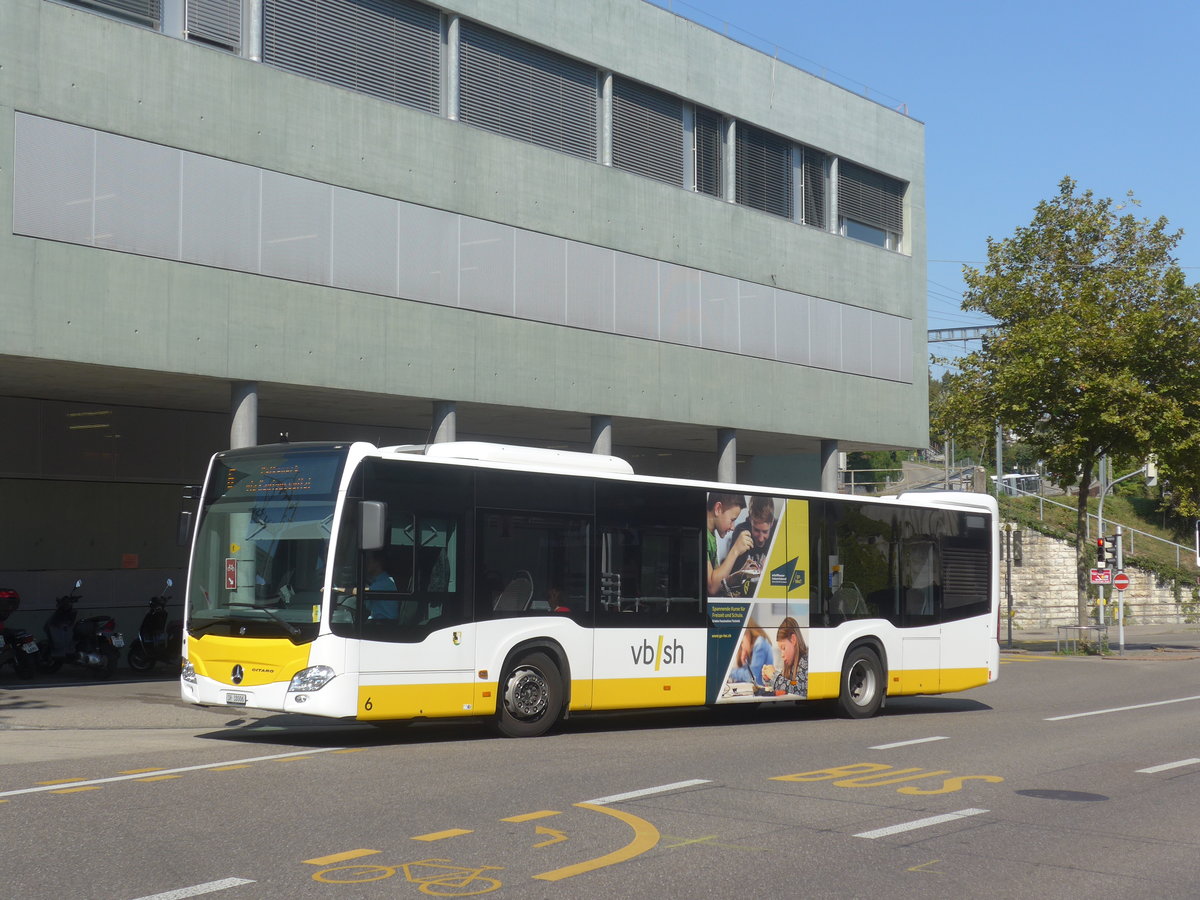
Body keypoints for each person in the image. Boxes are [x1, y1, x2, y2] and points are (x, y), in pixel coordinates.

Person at [727, 496, 777, 592]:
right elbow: (733, 579)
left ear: (772, 523)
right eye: (756, 530)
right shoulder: (740, 532)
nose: (761, 538)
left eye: (765, 531)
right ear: (750, 520)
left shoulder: (779, 532)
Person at [706, 492, 749, 596]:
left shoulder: (711, 535)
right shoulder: (705, 536)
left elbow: (716, 578)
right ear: (718, 509)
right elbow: (712, 587)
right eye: (732, 520)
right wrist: (735, 550)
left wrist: (737, 576)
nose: (733, 527)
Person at [767, 616, 808, 697]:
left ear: (793, 640)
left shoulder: (805, 661)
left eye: (783, 648)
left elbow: (798, 688)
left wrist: (773, 676)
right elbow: (791, 683)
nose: (782, 655)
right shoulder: (791, 664)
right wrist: (768, 678)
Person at [729, 619, 774, 685]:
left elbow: (751, 677)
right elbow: (750, 675)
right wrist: (745, 661)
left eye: (742, 642)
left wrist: (729, 672)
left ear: (746, 635)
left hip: (764, 690)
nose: (742, 645)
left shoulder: (759, 644)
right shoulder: (755, 646)